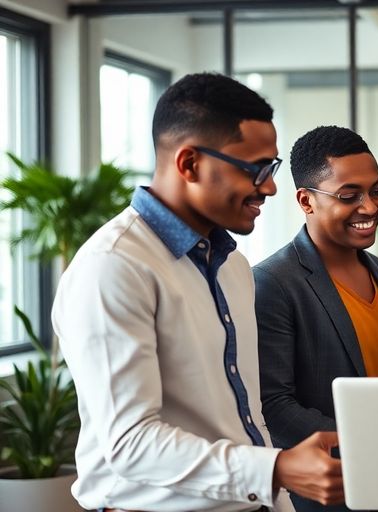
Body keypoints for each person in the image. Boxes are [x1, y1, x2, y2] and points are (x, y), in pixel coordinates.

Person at [51, 73, 343, 511]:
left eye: (273, 168)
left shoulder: (233, 266)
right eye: (256, 170)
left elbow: (247, 419)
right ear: (189, 164)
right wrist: (276, 469)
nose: (269, 187)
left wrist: (273, 495)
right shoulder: (113, 267)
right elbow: (131, 444)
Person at [255, 126, 378, 511]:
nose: (371, 207)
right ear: (306, 201)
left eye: (376, 189)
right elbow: (274, 404)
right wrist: (370, 445)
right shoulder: (272, 283)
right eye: (349, 195)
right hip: (333, 491)